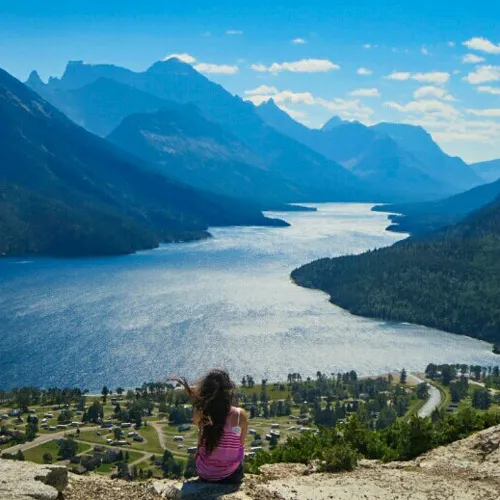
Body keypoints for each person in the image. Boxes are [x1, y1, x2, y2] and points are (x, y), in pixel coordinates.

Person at [172, 369, 248, 484]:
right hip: (231, 474)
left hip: (205, 472)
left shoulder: (202, 413)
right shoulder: (239, 415)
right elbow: (240, 445)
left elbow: (198, 424)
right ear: (229, 390)